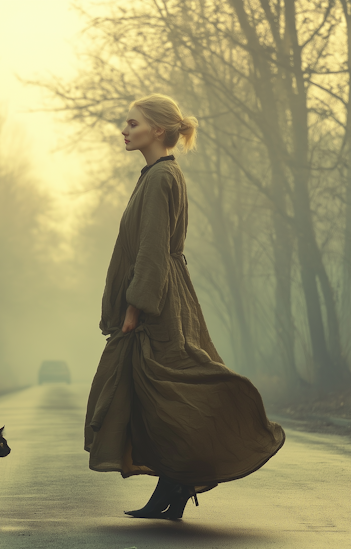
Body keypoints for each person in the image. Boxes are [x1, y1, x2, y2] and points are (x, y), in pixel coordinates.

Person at [84, 94, 285, 519]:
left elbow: (153, 248)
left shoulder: (161, 178)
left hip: (158, 301)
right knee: (154, 394)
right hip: (166, 293)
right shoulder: (155, 174)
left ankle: (190, 474)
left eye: (132, 123)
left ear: (157, 130)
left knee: (172, 390)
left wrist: (136, 307)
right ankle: (171, 488)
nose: (124, 129)